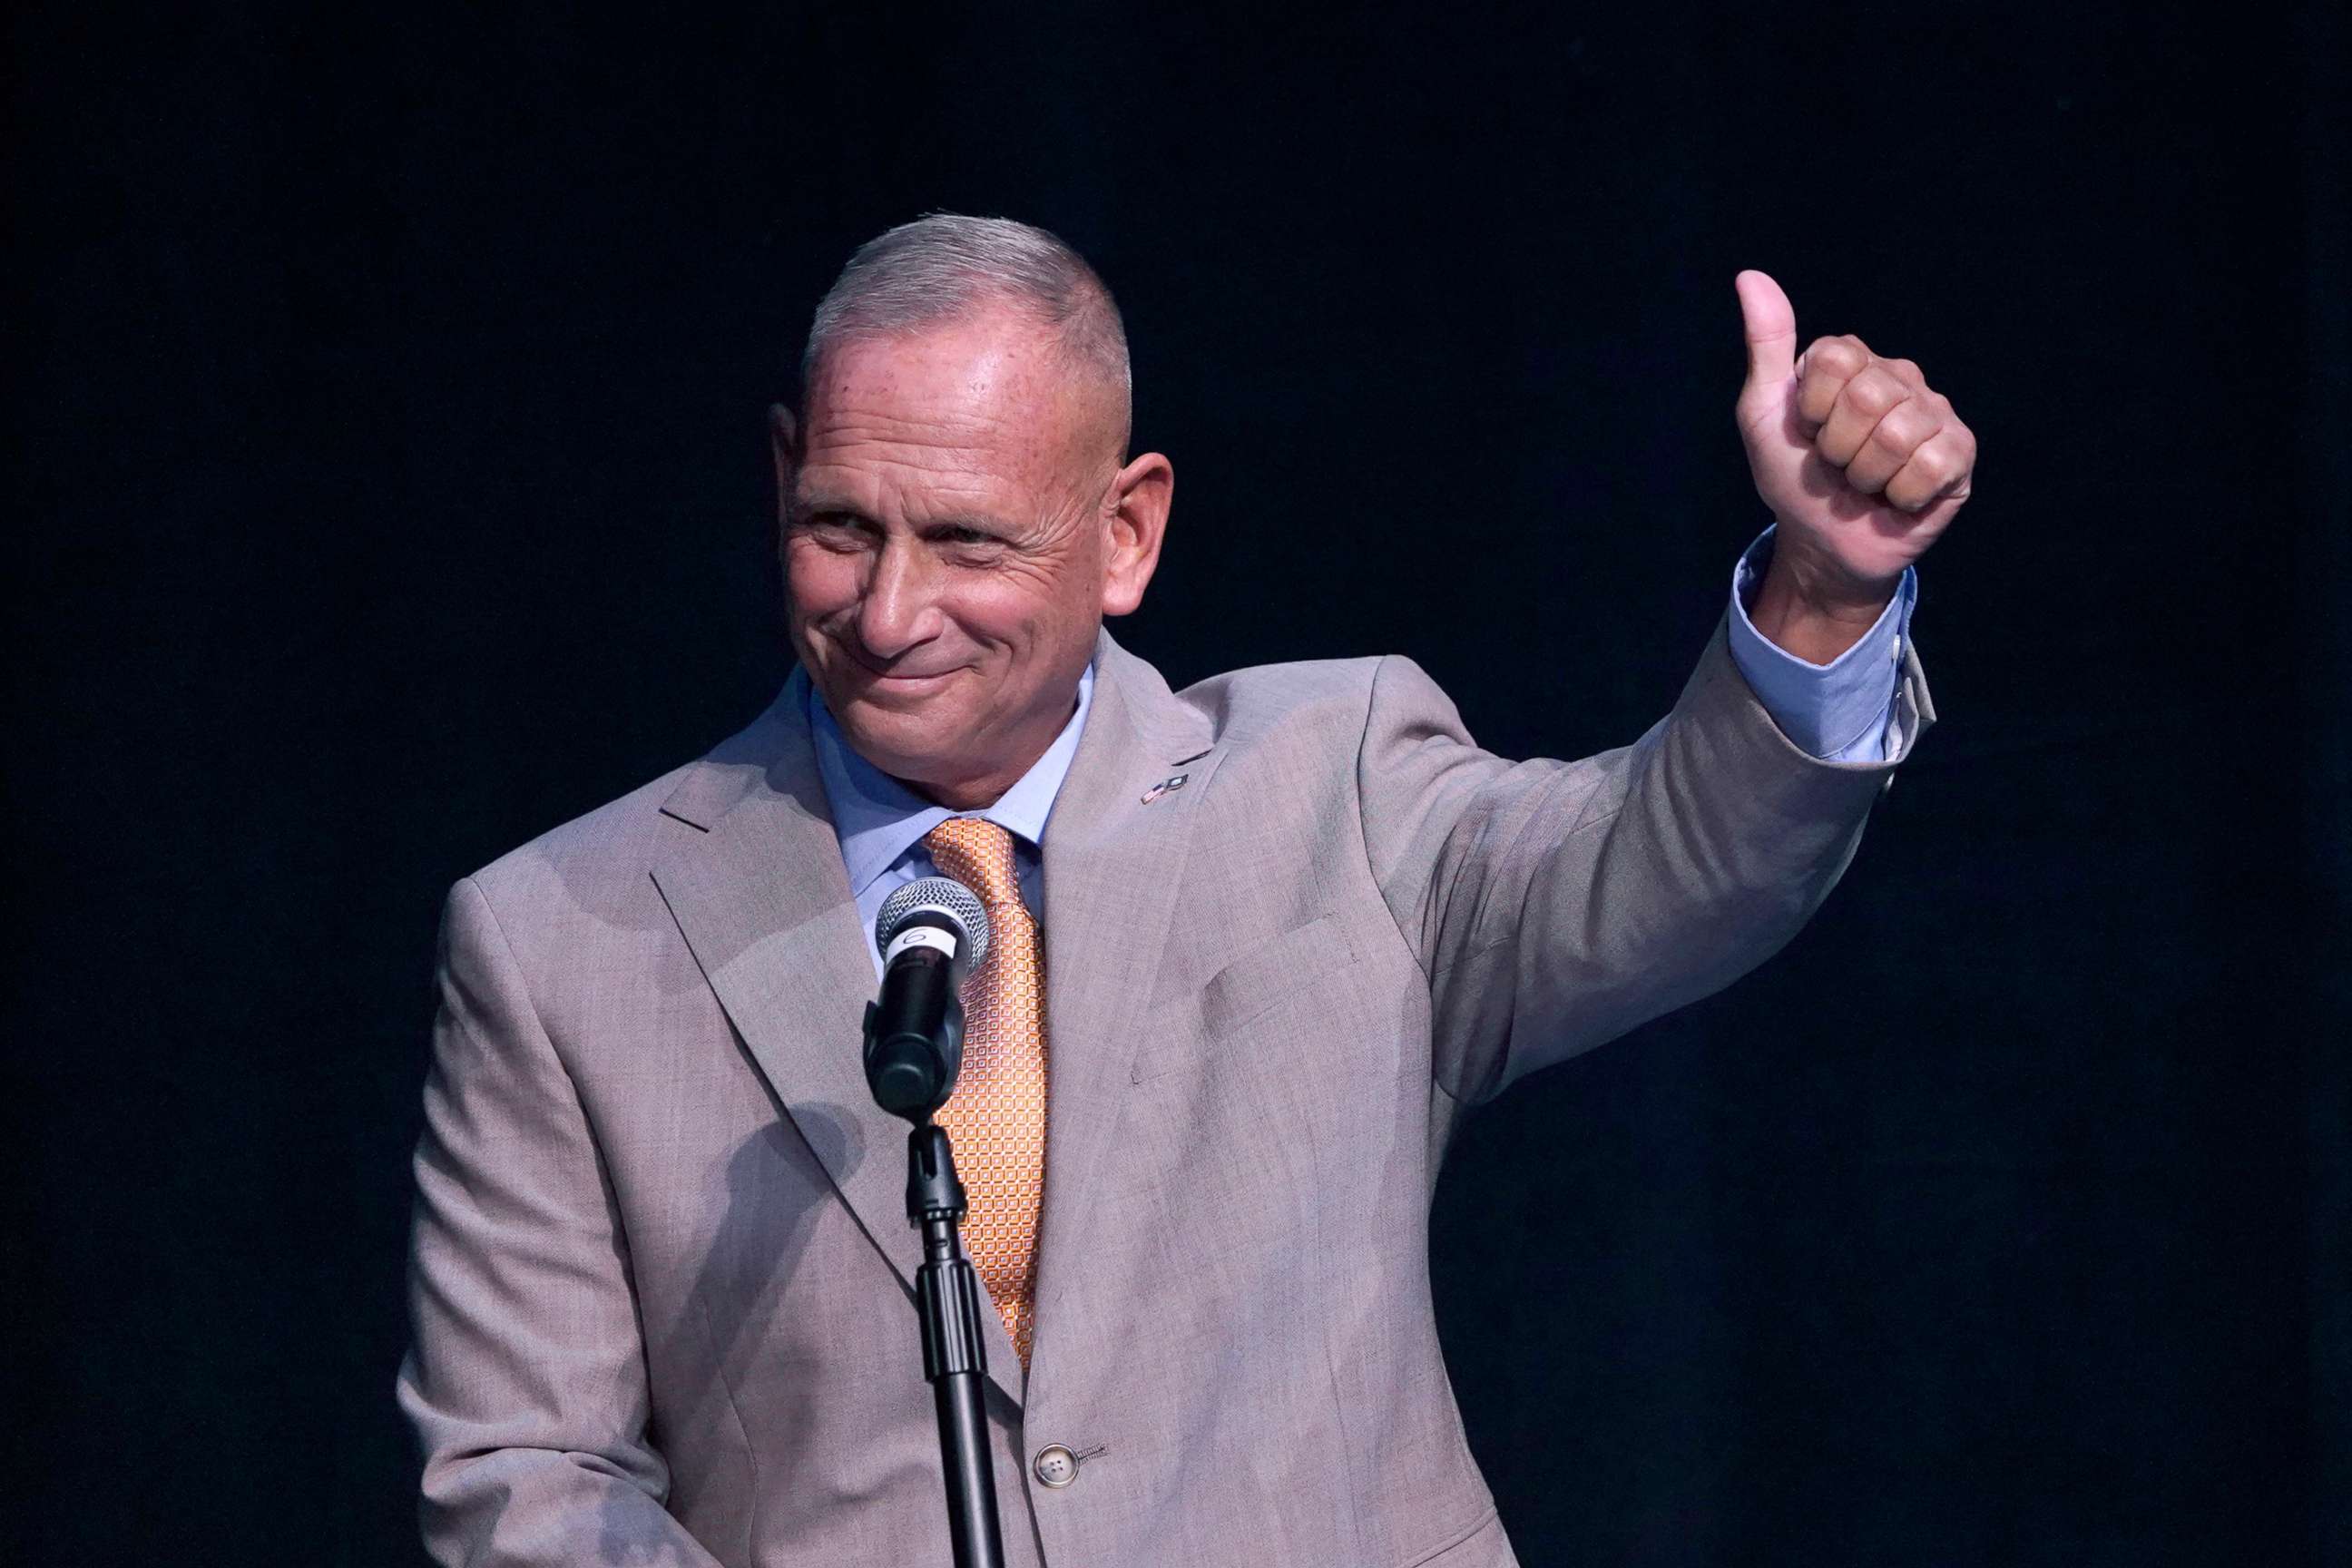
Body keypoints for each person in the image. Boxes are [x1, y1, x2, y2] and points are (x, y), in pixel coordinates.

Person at [397, 213, 1970, 1567]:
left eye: (966, 542)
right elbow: (527, 1482)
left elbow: (1666, 865)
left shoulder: (1333, 786)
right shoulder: (560, 939)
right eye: (838, 529)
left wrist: (1824, 592)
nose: (888, 612)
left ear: (1126, 531)